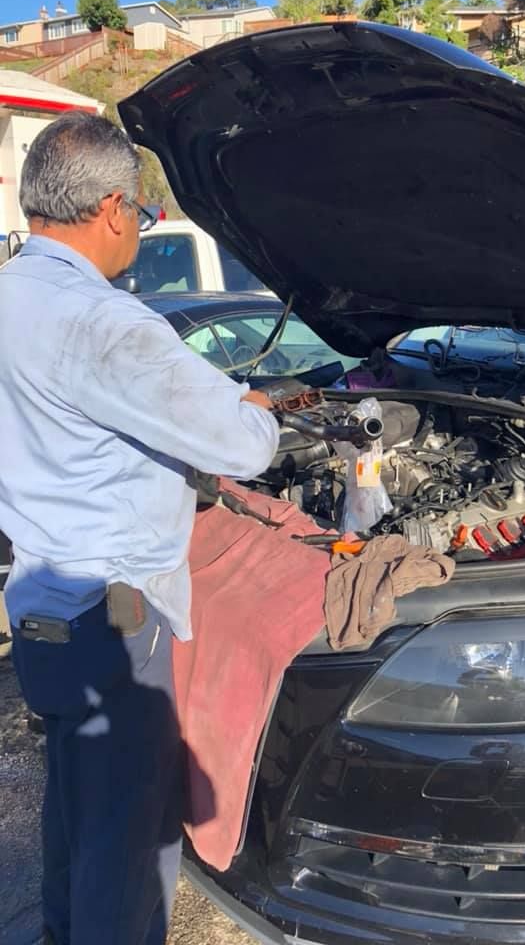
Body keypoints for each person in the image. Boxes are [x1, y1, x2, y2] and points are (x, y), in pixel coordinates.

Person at [0, 112, 280, 945]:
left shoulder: (9, 296)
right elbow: (245, 447)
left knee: (75, 807)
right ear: (116, 209)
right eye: (145, 216)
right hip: (116, 613)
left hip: (40, 604)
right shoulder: (110, 324)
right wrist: (257, 411)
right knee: (130, 839)